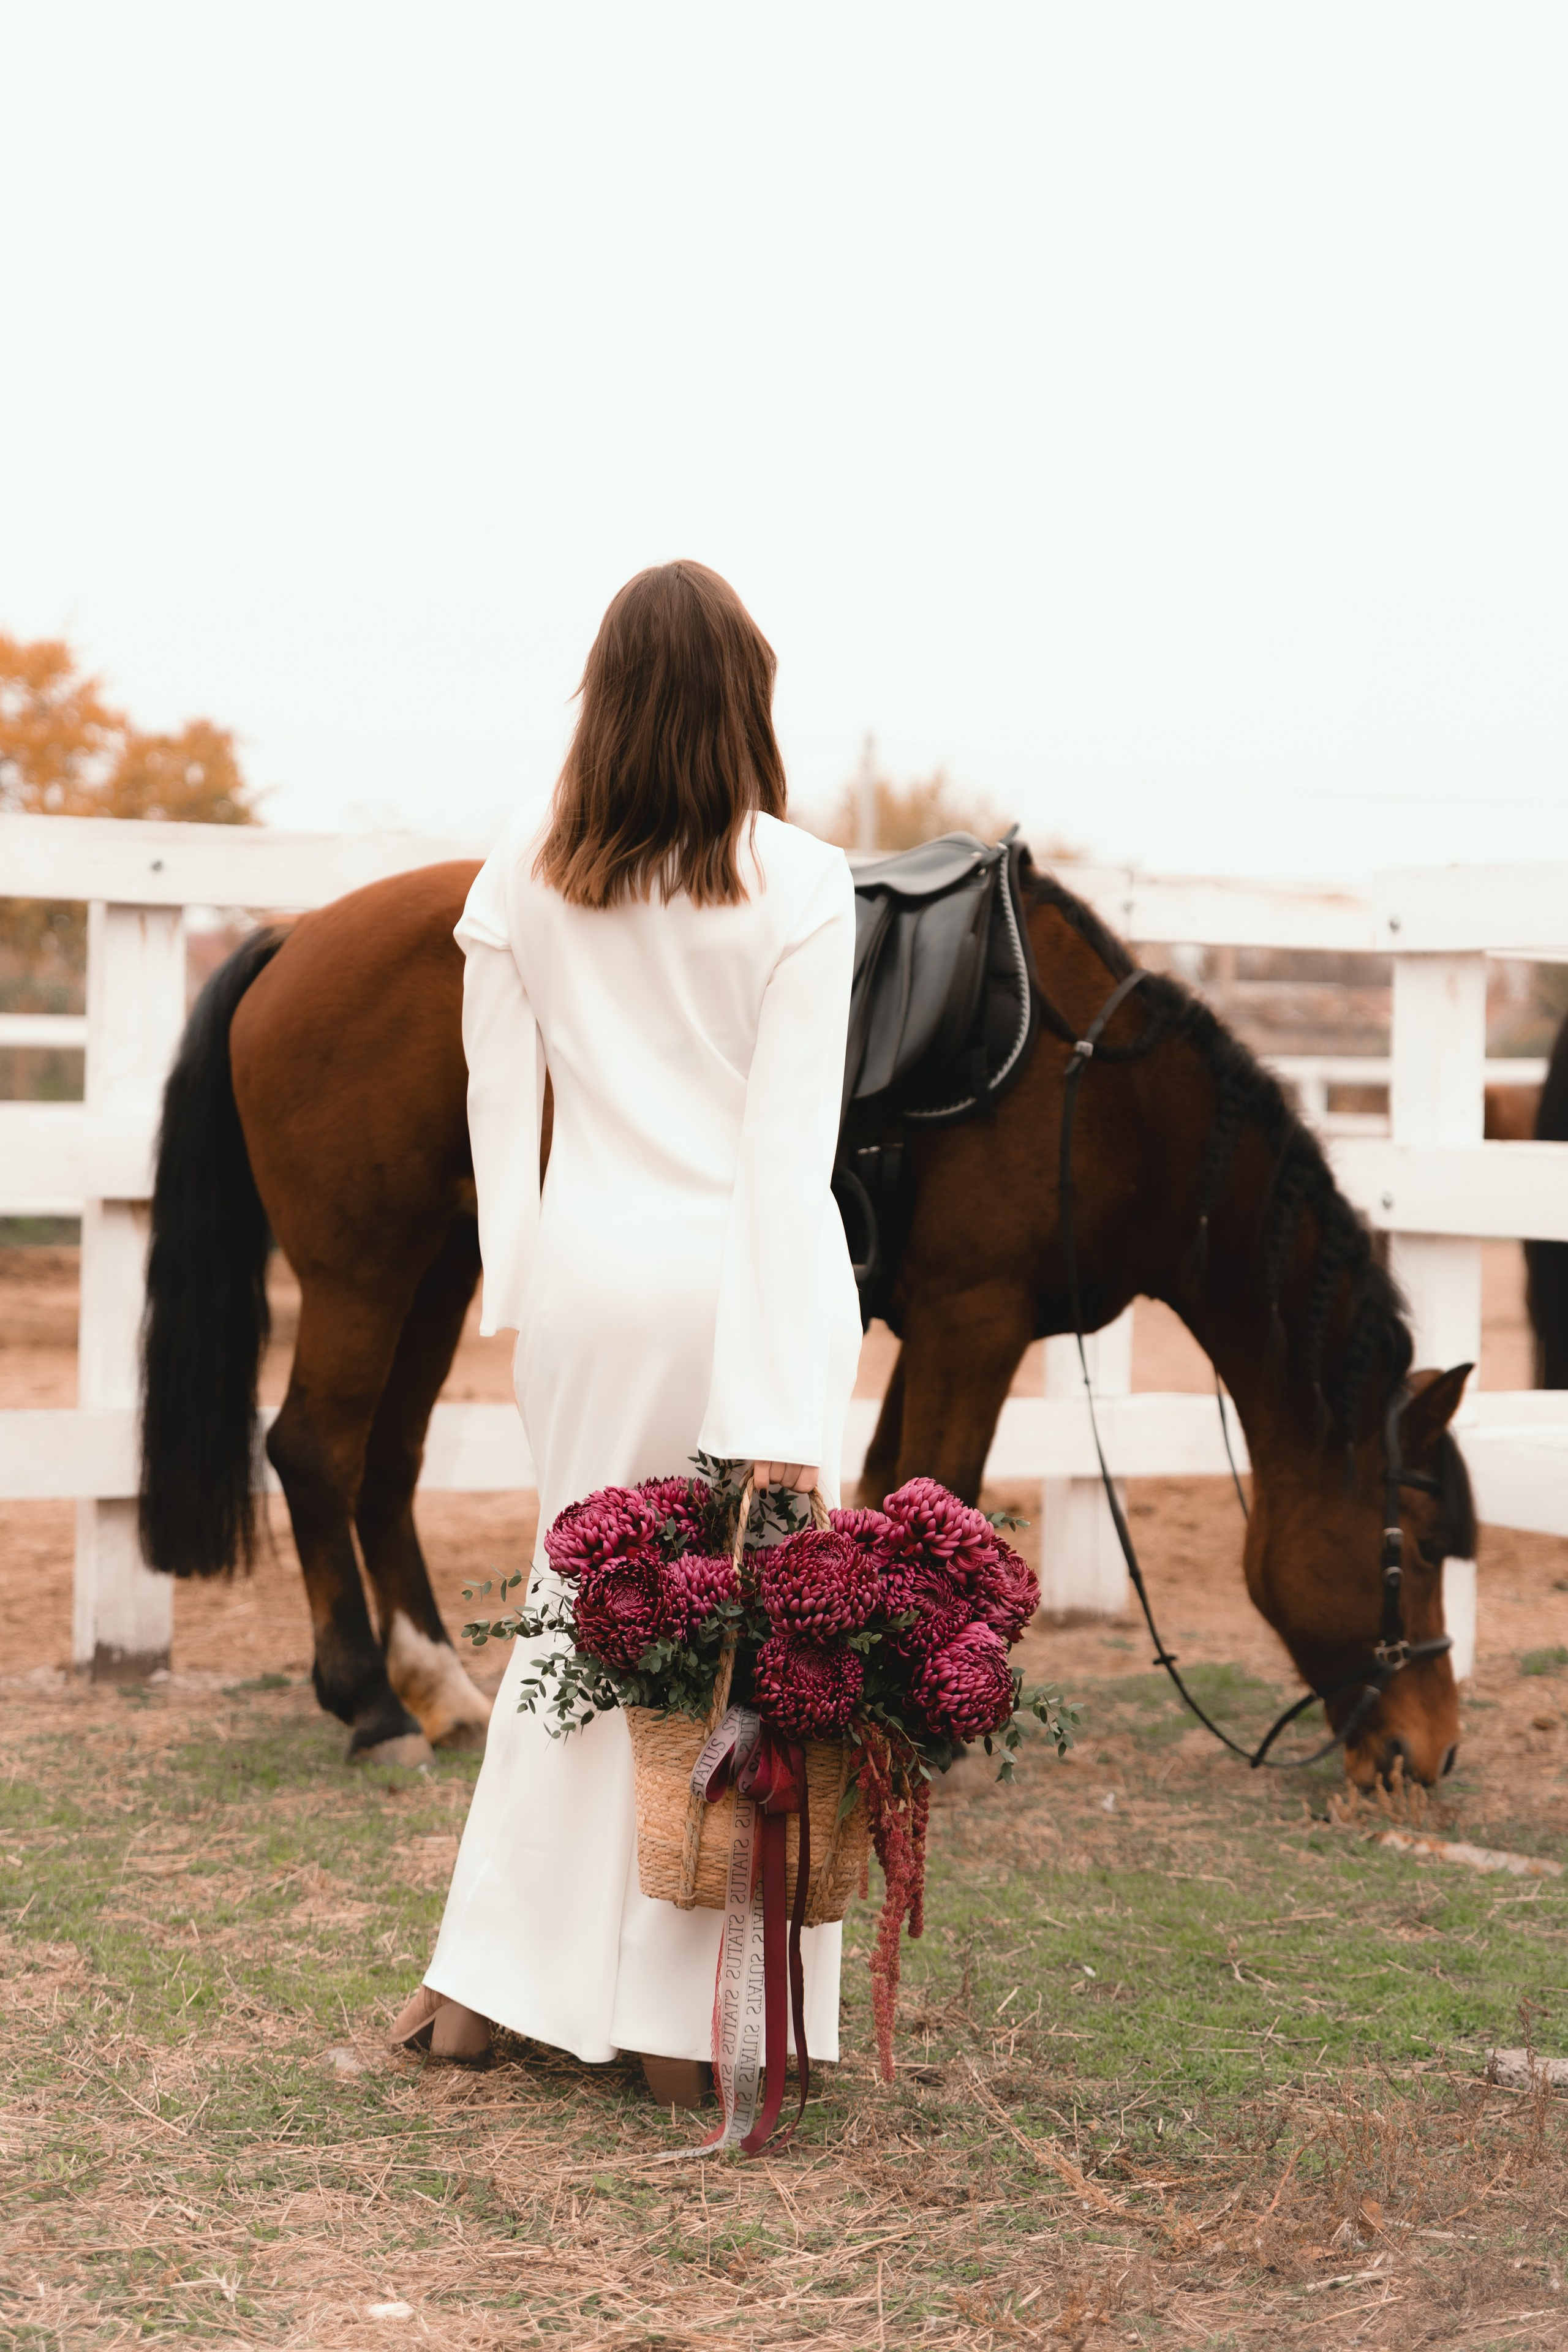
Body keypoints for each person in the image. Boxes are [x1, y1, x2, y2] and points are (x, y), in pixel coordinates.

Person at [391, 562, 862, 2100]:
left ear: (603, 696)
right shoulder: (798, 883)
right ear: (748, 698)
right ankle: (686, 2030)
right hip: (736, 1285)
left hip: (588, 1292)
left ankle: (488, 1982)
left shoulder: (528, 869)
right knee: (735, 1644)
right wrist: (778, 1396)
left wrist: (517, 1281)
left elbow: (491, 1087)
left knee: (569, 1616)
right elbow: (787, 1169)